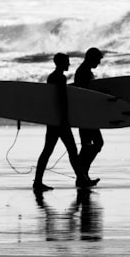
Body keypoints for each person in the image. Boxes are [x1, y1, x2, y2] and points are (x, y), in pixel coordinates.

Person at [33, 53, 92, 191]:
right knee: (70, 150)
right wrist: (64, 119)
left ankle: (38, 181)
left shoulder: (52, 77)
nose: (68, 64)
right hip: (60, 120)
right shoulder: (59, 78)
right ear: (60, 63)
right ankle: (82, 179)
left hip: (53, 119)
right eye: (67, 62)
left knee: (49, 150)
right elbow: (61, 100)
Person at [74, 47, 105, 184]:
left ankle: (82, 176)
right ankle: (82, 174)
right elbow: (85, 94)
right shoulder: (84, 72)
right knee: (96, 143)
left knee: (87, 145)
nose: (98, 63)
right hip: (86, 115)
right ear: (91, 58)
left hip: (85, 114)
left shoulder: (84, 71)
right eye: (97, 60)